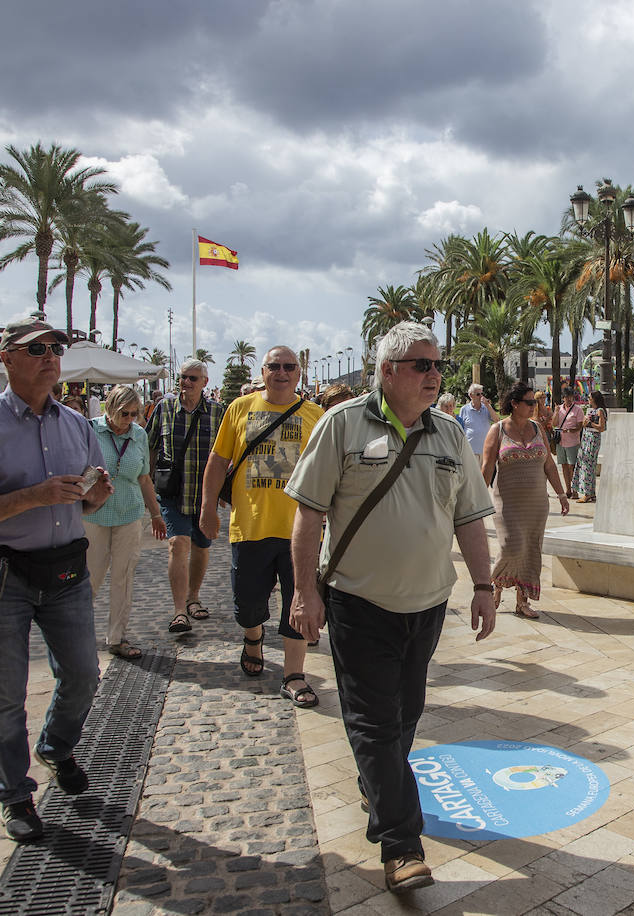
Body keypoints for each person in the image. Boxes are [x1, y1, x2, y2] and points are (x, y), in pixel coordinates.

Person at [285, 320, 496, 893]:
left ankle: (377, 782)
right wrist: (305, 593)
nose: (434, 375)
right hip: (359, 603)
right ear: (386, 372)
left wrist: (483, 585)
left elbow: (471, 517)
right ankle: (401, 844)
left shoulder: (451, 434)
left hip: (427, 606)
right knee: (375, 723)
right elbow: (306, 515)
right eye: (421, 365)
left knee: (404, 715)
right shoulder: (342, 424)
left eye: (437, 365)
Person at [0, 316, 113, 843]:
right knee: (5, 694)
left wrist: (95, 491)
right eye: (36, 348)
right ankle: (14, 793)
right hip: (0, 574)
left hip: (65, 570)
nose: (50, 355)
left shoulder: (77, 424)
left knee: (82, 674)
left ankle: (56, 745)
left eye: (55, 347)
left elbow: (92, 499)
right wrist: (31, 496)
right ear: (6, 358)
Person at [200, 346, 324, 705]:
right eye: (274, 366)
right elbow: (218, 459)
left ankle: (294, 675)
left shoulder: (315, 415)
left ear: (299, 373)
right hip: (250, 527)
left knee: (298, 601)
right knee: (248, 604)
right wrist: (208, 508)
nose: (282, 372)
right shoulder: (240, 409)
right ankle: (252, 639)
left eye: (289, 367)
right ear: (264, 371)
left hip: (299, 530)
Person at [86, 386, 168, 659]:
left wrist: (155, 514)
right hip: (94, 514)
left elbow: (144, 478)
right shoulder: (90, 431)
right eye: (124, 414)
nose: (129, 419)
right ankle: (79, 636)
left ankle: (117, 637)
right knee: (90, 577)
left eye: (134, 414)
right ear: (110, 408)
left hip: (129, 513)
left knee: (123, 577)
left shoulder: (139, 435)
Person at [148, 359, 226, 635]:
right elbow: (150, 446)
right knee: (177, 544)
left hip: (205, 495)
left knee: (201, 547)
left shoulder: (218, 412)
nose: (186, 382)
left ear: (205, 382)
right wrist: (147, 489)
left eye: (193, 378)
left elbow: (228, 455)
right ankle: (180, 610)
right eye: (183, 377)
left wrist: (224, 492)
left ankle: (194, 596)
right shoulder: (164, 408)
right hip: (172, 492)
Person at [480, 382, 570, 619]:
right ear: (515, 404)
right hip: (507, 503)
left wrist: (561, 494)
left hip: (536, 504)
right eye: (529, 402)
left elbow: (549, 465)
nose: (534, 406)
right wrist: (477, 501)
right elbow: (487, 467)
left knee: (531, 549)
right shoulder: (497, 430)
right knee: (511, 545)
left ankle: (523, 601)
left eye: (535, 402)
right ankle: (495, 584)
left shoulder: (538, 428)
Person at [573, 390, 608, 503]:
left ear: (594, 399)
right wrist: (585, 423)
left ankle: (587, 494)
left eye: (589, 397)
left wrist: (590, 423)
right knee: (585, 465)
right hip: (586, 437)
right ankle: (590, 493)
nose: (588, 399)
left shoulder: (600, 411)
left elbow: (602, 428)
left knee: (588, 466)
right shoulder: (591, 410)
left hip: (593, 439)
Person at [552, 387, 585, 498]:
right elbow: (554, 423)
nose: (569, 399)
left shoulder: (578, 410)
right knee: (564, 466)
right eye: (567, 397)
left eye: (571, 397)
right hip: (561, 442)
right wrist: (556, 412)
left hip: (573, 442)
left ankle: (575, 490)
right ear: (563, 398)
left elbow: (580, 427)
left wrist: (570, 430)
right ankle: (568, 490)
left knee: (572, 467)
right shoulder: (559, 408)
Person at [458, 383, 497, 458]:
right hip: (470, 450)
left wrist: (488, 406)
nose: (481, 397)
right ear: (471, 395)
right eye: (478, 394)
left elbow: (496, 420)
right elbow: (460, 428)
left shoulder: (486, 408)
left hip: (486, 450)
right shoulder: (464, 409)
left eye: (482, 394)